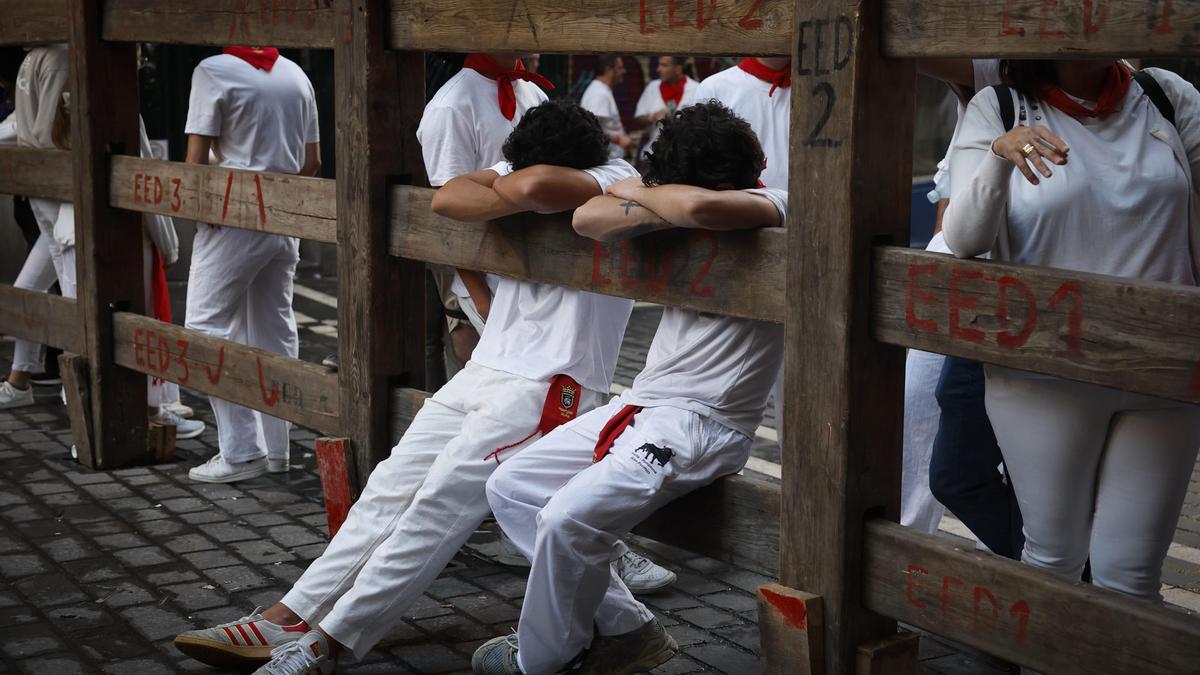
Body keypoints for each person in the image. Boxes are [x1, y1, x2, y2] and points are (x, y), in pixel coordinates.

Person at [173, 100, 641, 675]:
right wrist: (511, 189)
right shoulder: (535, 173)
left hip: (551, 384)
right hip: (487, 367)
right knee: (387, 490)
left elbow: (536, 184)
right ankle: (287, 615)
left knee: (436, 505)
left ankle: (329, 644)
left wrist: (506, 188)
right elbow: (448, 198)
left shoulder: (619, 178)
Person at [473, 101, 787, 675]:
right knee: (511, 486)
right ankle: (626, 627)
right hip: (642, 403)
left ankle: (544, 662)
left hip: (704, 423)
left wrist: (653, 198)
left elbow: (695, 204)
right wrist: (655, 196)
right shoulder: (678, 202)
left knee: (567, 518)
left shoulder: (775, 206)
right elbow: (586, 218)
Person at [942, 58, 1200, 600]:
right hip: (1046, 373)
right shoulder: (1000, 105)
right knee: (1054, 561)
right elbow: (964, 240)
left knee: (1131, 577)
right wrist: (998, 157)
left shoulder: (1164, 94)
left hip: (1164, 367)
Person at [182, 46, 320, 482]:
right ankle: (278, 450)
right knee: (274, 330)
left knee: (204, 328)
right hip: (283, 218)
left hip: (233, 217)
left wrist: (202, 212)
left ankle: (242, 451)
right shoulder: (297, 74)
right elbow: (312, 161)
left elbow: (196, 160)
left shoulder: (212, 69)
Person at [632, 55, 699, 162]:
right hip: (654, 154)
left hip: (686, 156)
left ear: (677, 69)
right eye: (659, 65)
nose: (658, 69)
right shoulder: (652, 87)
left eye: (664, 65)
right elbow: (639, 119)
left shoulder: (695, 88)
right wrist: (652, 118)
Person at [580, 55, 632, 159]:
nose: (624, 71)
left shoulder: (603, 90)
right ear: (609, 70)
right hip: (605, 162)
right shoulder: (599, 93)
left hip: (610, 159)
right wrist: (619, 140)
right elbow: (591, 129)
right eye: (620, 68)